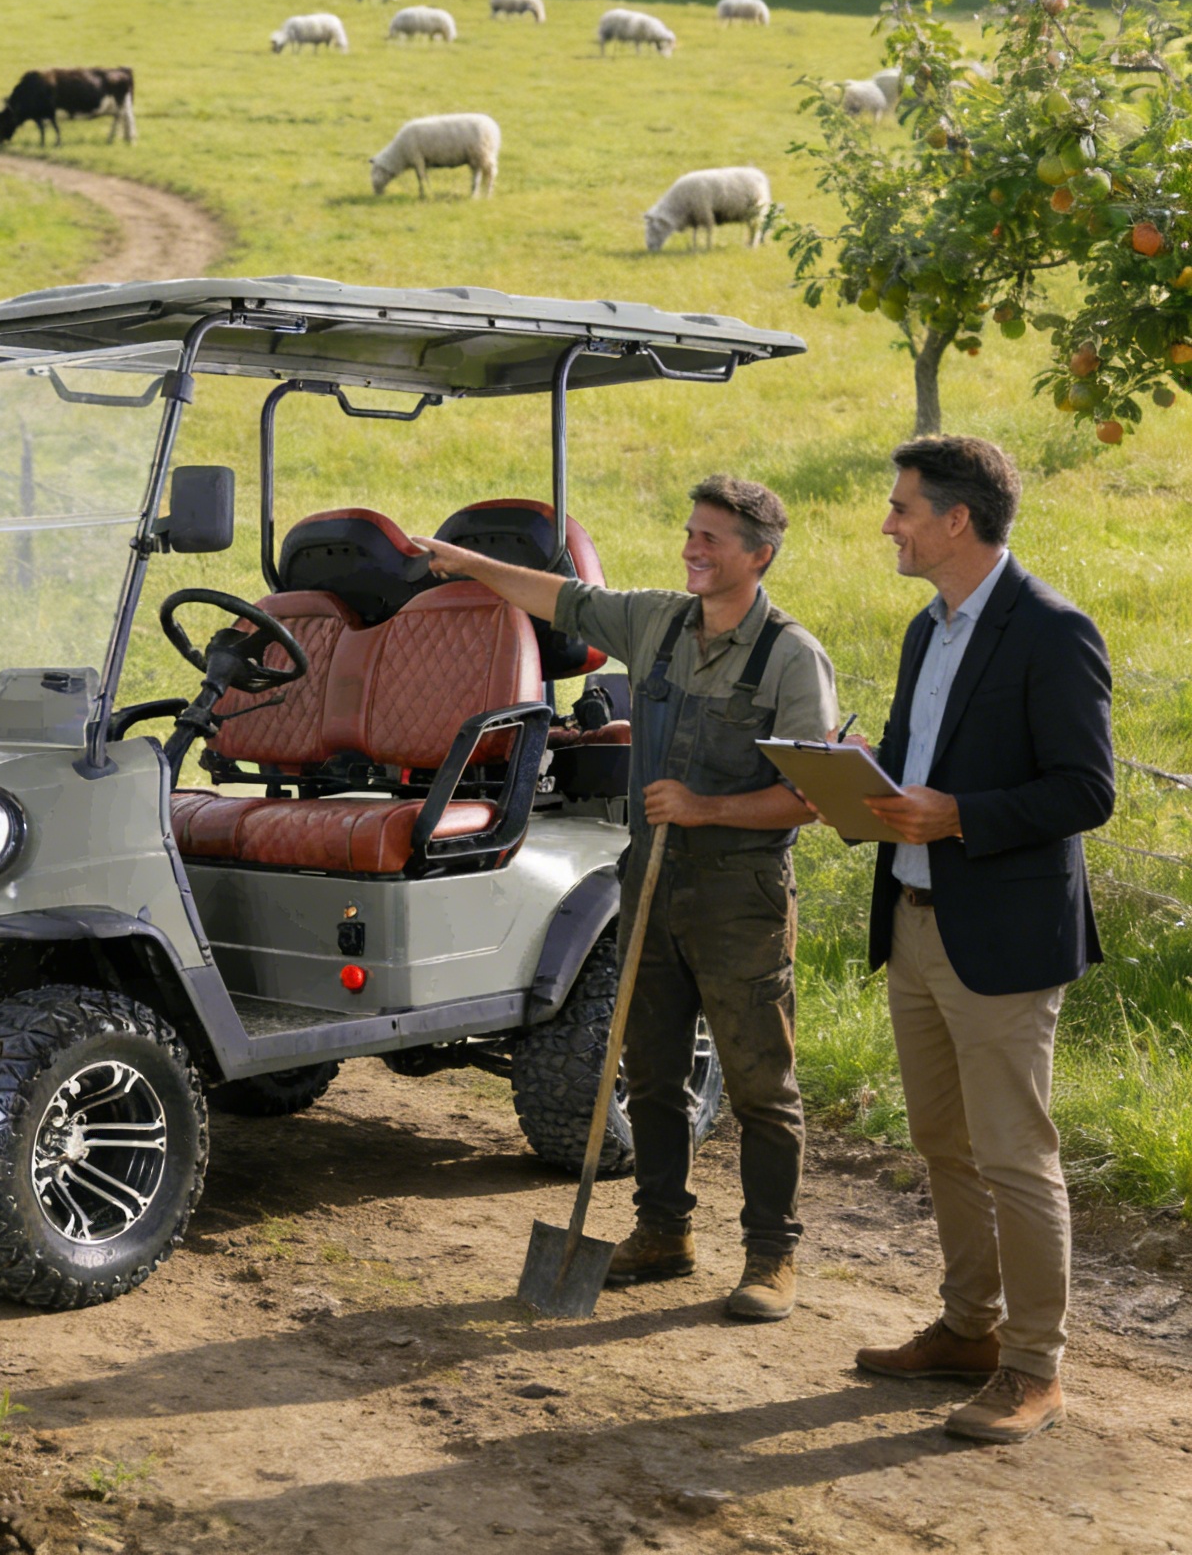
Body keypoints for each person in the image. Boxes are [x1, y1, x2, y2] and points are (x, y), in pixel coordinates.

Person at [416, 475, 836, 1322]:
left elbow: (814, 795)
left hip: (740, 893)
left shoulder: (792, 657)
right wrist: (462, 561)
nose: (692, 547)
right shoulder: (656, 621)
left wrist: (706, 807)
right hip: (649, 876)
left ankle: (770, 1257)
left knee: (760, 1083)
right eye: (690, 531)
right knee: (649, 1072)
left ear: (759, 556)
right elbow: (564, 598)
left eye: (711, 538)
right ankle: (663, 1234)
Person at [847, 436, 1112, 1444]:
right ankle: (966, 1329)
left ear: (954, 520)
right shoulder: (928, 629)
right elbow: (917, 757)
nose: (887, 524)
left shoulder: (1051, 630)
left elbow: (1086, 789)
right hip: (913, 923)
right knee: (941, 1144)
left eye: (901, 508)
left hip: (999, 938)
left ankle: (1034, 1369)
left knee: (1012, 1155)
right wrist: (849, 776)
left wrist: (957, 814)